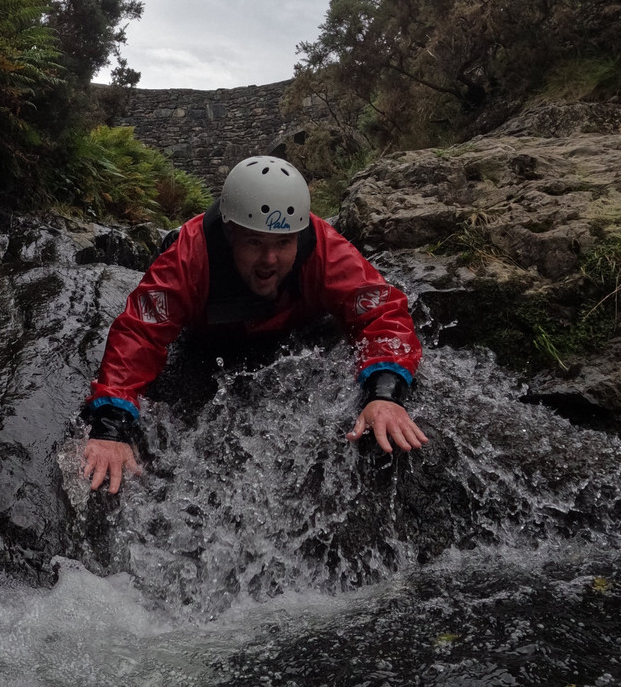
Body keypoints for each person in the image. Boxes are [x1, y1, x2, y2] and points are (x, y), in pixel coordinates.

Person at [82, 155, 426, 493]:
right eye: (254, 242)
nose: (269, 259)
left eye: (282, 243)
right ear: (230, 234)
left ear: (299, 234)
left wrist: (384, 394)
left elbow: (381, 311)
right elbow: (140, 333)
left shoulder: (323, 246)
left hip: (294, 326)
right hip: (210, 338)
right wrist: (110, 430)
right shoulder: (188, 255)